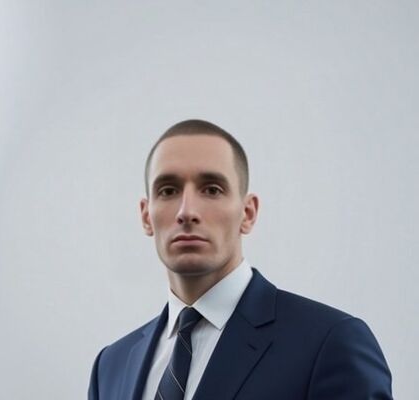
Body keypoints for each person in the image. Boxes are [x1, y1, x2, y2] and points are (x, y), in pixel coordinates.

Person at [88, 119, 392, 399]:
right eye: (168, 191)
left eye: (212, 189)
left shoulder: (330, 343)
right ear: (146, 216)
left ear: (248, 213)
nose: (186, 212)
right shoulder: (111, 367)